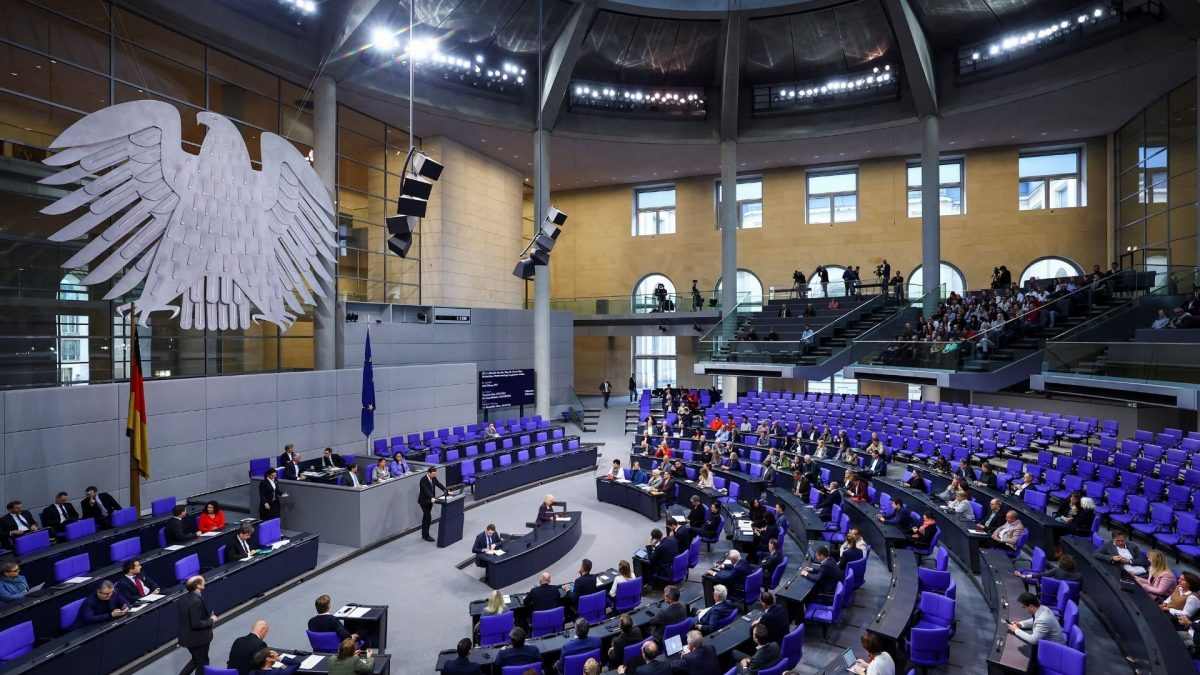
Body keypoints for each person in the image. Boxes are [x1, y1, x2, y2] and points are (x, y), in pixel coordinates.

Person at [177, 575, 216, 675]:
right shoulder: (196, 601)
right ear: (198, 585)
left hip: (188, 637)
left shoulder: (184, 598)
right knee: (202, 662)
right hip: (197, 639)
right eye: (203, 581)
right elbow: (196, 623)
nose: (205, 582)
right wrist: (211, 620)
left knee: (196, 660)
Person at [418, 467, 447, 541]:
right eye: (433, 474)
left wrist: (446, 491)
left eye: (435, 474)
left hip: (431, 500)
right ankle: (426, 536)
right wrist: (431, 497)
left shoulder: (433, 478)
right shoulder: (423, 480)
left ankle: (424, 534)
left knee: (426, 517)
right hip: (424, 501)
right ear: (429, 473)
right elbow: (425, 490)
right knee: (427, 517)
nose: (434, 475)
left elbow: (438, 484)